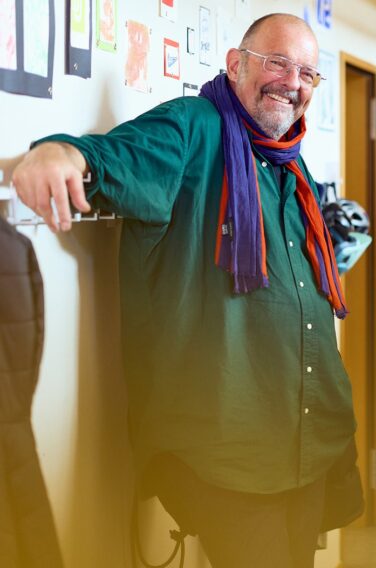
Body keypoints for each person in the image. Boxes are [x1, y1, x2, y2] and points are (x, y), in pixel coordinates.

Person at [11, 14, 357, 567]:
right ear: (236, 65)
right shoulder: (194, 128)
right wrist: (58, 152)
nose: (292, 81)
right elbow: (113, 156)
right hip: (228, 450)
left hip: (307, 436)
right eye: (277, 62)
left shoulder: (290, 164)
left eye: (307, 73)